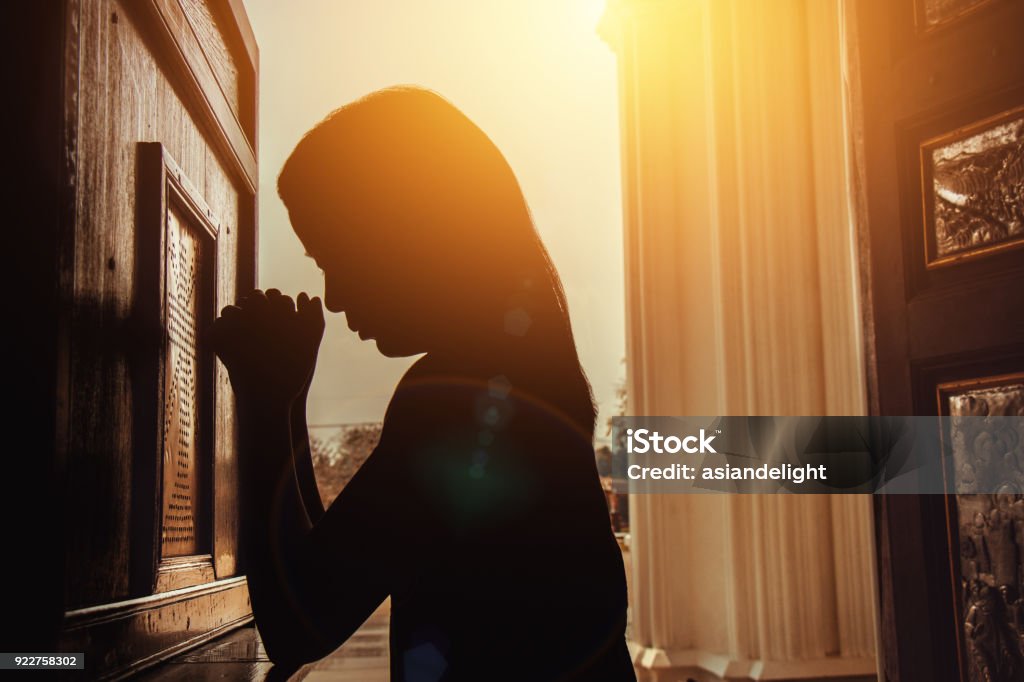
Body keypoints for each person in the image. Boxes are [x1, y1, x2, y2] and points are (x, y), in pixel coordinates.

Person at [211, 86, 635, 681]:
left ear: (402, 234)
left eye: (334, 254)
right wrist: (286, 400)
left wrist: (261, 400)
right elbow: (322, 565)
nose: (332, 295)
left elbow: (297, 624)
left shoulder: (457, 399)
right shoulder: (519, 370)